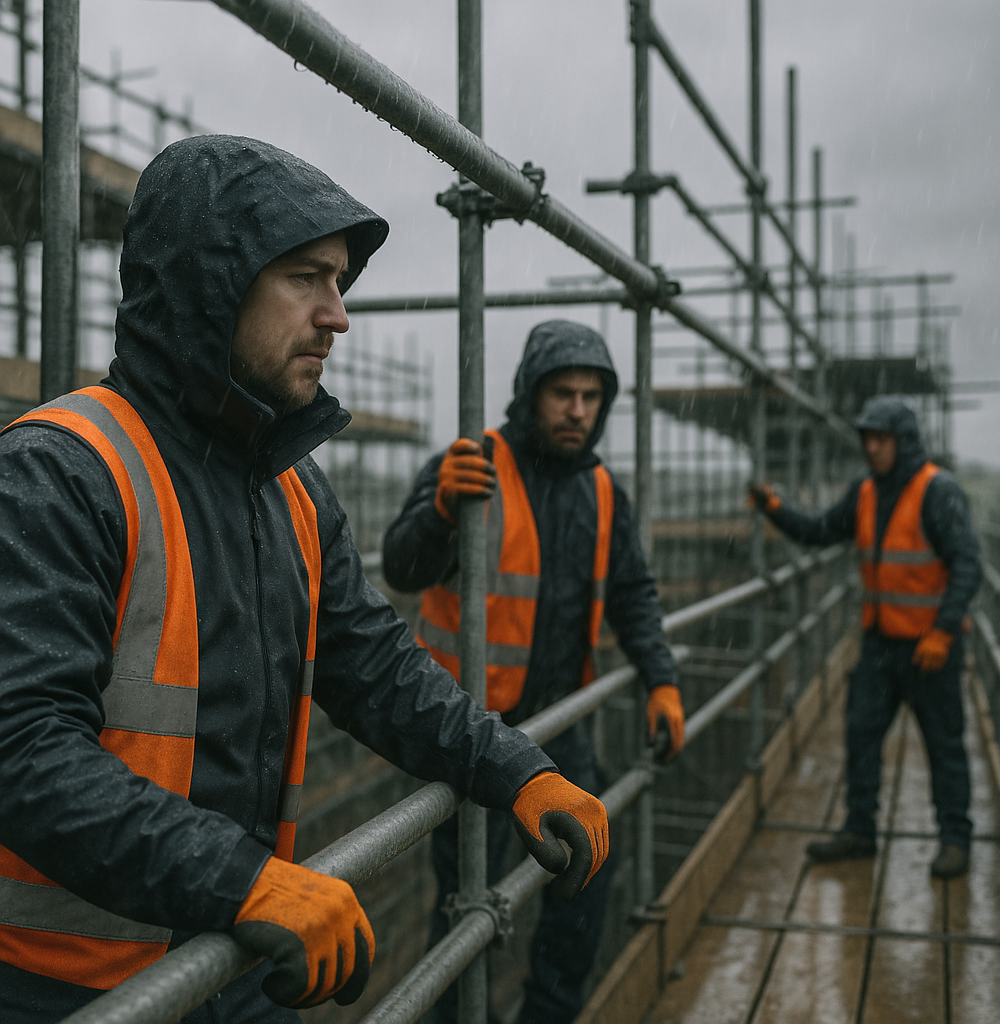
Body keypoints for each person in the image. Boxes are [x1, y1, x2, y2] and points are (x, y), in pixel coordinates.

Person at [0, 136, 611, 1024]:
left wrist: (515, 768)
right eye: (305, 277)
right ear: (211, 285)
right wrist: (241, 880)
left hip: (235, 955)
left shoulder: (288, 487)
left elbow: (374, 666)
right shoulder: (59, 472)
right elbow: (20, 746)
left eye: (339, 282)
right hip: (66, 987)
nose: (338, 315)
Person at [383, 319, 685, 1024]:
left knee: (586, 875)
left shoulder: (603, 491)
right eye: (562, 393)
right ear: (530, 394)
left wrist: (662, 679)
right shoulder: (473, 465)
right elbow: (400, 566)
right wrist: (437, 511)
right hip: (475, 735)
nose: (577, 410)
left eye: (590, 396)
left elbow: (634, 594)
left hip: (563, 726)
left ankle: (546, 1014)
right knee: (469, 914)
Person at [749, 395, 981, 879]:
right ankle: (859, 830)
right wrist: (775, 508)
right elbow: (820, 530)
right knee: (861, 732)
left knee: (944, 744)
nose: (872, 448)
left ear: (906, 442)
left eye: (882, 439)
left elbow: (967, 565)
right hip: (880, 645)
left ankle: (955, 839)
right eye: (868, 439)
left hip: (930, 650)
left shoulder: (938, 492)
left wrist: (942, 631)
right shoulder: (866, 493)